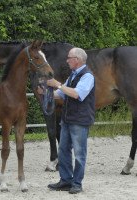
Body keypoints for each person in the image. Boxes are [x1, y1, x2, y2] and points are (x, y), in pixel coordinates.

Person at [41, 47, 95, 194]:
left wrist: (57, 84)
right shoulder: (73, 75)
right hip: (67, 119)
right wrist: (46, 92)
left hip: (79, 120)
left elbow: (77, 94)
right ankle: (65, 180)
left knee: (79, 153)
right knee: (63, 151)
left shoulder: (87, 76)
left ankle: (77, 183)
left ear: (76, 60)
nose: (67, 60)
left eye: (69, 58)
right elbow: (62, 93)